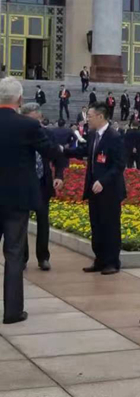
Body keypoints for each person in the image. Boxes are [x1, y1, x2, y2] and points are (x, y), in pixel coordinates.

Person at [0, 77, 63, 324]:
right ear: (19, 99)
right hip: (17, 199)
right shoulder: (27, 125)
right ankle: (13, 311)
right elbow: (51, 151)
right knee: (14, 253)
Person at [64, 102, 126, 275]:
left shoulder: (114, 136)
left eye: (90, 116)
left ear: (100, 116)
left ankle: (112, 262)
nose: (87, 120)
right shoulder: (92, 134)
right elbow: (84, 150)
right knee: (96, 225)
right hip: (93, 189)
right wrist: (63, 151)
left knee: (110, 226)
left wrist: (103, 181)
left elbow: (119, 164)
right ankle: (99, 260)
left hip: (109, 190)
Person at [20, 103, 66, 272]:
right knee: (21, 223)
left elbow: (58, 156)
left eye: (37, 120)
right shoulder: (19, 134)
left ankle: (43, 257)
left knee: (43, 221)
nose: (35, 124)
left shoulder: (47, 134)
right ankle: (22, 258)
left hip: (42, 183)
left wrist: (59, 175)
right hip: (23, 184)